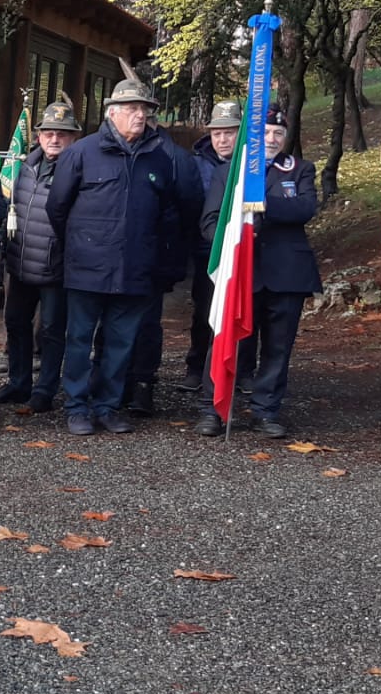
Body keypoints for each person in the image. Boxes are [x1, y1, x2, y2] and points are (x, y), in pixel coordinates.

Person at [46, 75, 200, 436]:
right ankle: (77, 407)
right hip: (86, 268)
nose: (140, 116)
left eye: (145, 110)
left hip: (135, 270)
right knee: (79, 341)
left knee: (121, 343)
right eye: (132, 109)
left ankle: (109, 406)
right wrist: (79, 246)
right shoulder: (80, 153)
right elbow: (57, 208)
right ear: (112, 113)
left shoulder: (160, 159)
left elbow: (170, 214)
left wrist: (156, 256)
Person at [196, 109, 322, 437]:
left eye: (278, 134)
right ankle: (215, 409)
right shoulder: (229, 174)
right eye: (265, 133)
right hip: (240, 273)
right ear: (254, 136)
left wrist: (257, 201)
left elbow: (304, 208)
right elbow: (210, 221)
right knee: (228, 342)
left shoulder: (300, 169)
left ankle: (266, 410)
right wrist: (228, 241)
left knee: (278, 347)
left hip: (287, 273)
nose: (271, 140)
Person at [0, 101, 79, 412]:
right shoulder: (23, 166)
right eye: (49, 133)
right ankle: (18, 382)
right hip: (21, 262)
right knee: (16, 323)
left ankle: (45, 390)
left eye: (62, 134)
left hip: (57, 266)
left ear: (73, 139)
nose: (54, 139)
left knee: (53, 331)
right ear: (38, 136)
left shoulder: (78, 169)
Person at [126, 99, 198, 416]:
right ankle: (115, 384)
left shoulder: (175, 158)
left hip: (155, 257)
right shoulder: (117, 152)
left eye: (142, 114)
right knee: (115, 323)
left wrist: (170, 254)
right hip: (117, 257)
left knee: (146, 324)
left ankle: (142, 385)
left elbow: (189, 209)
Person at [179, 101, 240, 392]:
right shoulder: (196, 163)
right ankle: (197, 366)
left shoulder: (250, 163)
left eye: (229, 133)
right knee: (205, 311)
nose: (223, 139)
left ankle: (240, 370)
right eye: (217, 134)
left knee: (240, 312)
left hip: (243, 251)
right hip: (207, 250)